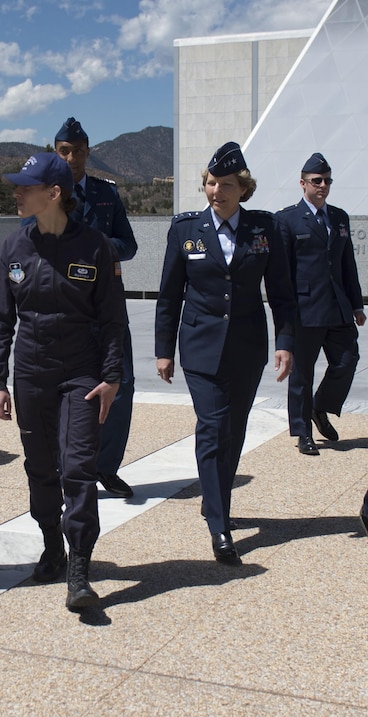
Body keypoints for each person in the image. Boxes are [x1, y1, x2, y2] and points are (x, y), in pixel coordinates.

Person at [0, 152, 126, 612]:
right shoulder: (13, 248)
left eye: (25, 187)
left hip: (80, 373)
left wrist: (112, 378)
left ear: (53, 194)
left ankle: (80, 568)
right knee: (41, 468)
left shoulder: (95, 247)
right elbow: (0, 319)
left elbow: (112, 319)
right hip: (31, 372)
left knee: (78, 468)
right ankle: (52, 545)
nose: (16, 193)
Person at [155, 141, 295, 566]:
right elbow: (168, 295)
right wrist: (164, 351)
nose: (216, 191)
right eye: (211, 183)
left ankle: (213, 499)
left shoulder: (264, 229)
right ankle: (219, 523)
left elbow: (283, 295)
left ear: (243, 188)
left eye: (226, 184)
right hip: (199, 347)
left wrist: (284, 343)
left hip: (247, 347)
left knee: (234, 430)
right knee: (213, 428)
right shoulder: (185, 230)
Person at [53, 117, 138, 498]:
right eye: (65, 151)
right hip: (65, 308)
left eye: (79, 151)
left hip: (107, 308)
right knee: (63, 390)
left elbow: (129, 245)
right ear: (56, 153)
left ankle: (107, 467)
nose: (72, 158)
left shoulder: (106, 194)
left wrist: (97, 244)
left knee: (121, 386)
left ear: (88, 152)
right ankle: (67, 469)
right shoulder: (47, 193)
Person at [276, 153, 364, 455]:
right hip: (305, 309)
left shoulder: (339, 217)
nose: (323, 185)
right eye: (317, 181)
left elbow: (346, 263)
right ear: (303, 183)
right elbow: (282, 272)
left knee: (347, 359)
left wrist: (356, 303)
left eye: (327, 180)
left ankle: (320, 406)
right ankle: (303, 432)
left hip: (337, 306)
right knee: (302, 373)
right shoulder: (286, 219)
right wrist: (285, 314)